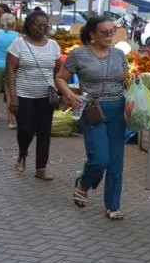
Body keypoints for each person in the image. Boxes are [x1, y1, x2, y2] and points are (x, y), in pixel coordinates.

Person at [56, 16, 130, 220]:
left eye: (112, 32)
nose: (109, 36)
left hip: (117, 110)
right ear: (92, 35)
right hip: (92, 110)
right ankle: (83, 183)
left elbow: (125, 81)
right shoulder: (78, 55)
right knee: (99, 159)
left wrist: (135, 88)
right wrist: (69, 95)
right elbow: (60, 78)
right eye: (104, 32)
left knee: (115, 161)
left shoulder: (119, 55)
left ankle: (113, 206)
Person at [5, 9, 61, 178]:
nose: (43, 29)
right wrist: (13, 96)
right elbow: (10, 71)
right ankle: (22, 153)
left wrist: (60, 91)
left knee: (44, 132)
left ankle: (41, 168)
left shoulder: (53, 45)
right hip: (24, 94)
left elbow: (58, 71)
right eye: (39, 26)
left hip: (45, 96)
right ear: (29, 26)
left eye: (46, 26)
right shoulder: (18, 44)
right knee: (26, 130)